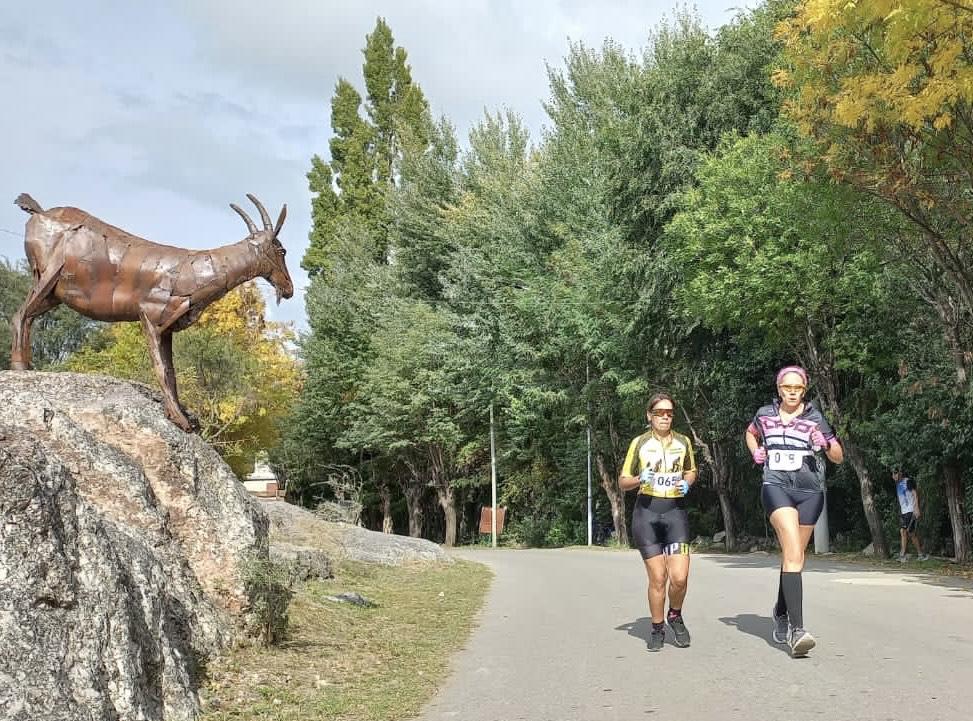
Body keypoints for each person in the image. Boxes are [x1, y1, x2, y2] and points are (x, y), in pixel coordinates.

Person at [744, 366, 844, 658]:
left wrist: (824, 443)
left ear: (804, 390)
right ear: (779, 389)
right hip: (776, 487)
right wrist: (756, 451)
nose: (791, 391)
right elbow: (750, 433)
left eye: (797, 387)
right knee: (791, 551)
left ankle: (780, 611)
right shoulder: (765, 414)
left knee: (794, 557)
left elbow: (838, 456)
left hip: (810, 493)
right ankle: (797, 630)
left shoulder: (815, 417)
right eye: (786, 386)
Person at [619, 392, 697, 652]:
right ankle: (656, 628)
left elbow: (691, 470)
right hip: (647, 514)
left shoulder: (683, 441)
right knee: (658, 578)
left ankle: (674, 615)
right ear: (649, 416)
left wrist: (687, 482)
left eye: (669, 413)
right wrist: (641, 478)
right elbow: (623, 481)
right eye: (659, 413)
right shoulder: (639, 443)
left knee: (680, 577)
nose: (665, 417)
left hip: (675, 513)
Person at [893, 469, 929, 562]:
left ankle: (902, 555)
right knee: (911, 534)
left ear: (900, 474)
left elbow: (915, 494)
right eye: (893, 474)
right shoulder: (898, 484)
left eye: (895, 473)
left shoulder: (907, 481)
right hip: (904, 512)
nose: (894, 476)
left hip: (910, 511)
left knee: (903, 531)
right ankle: (921, 555)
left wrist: (916, 508)